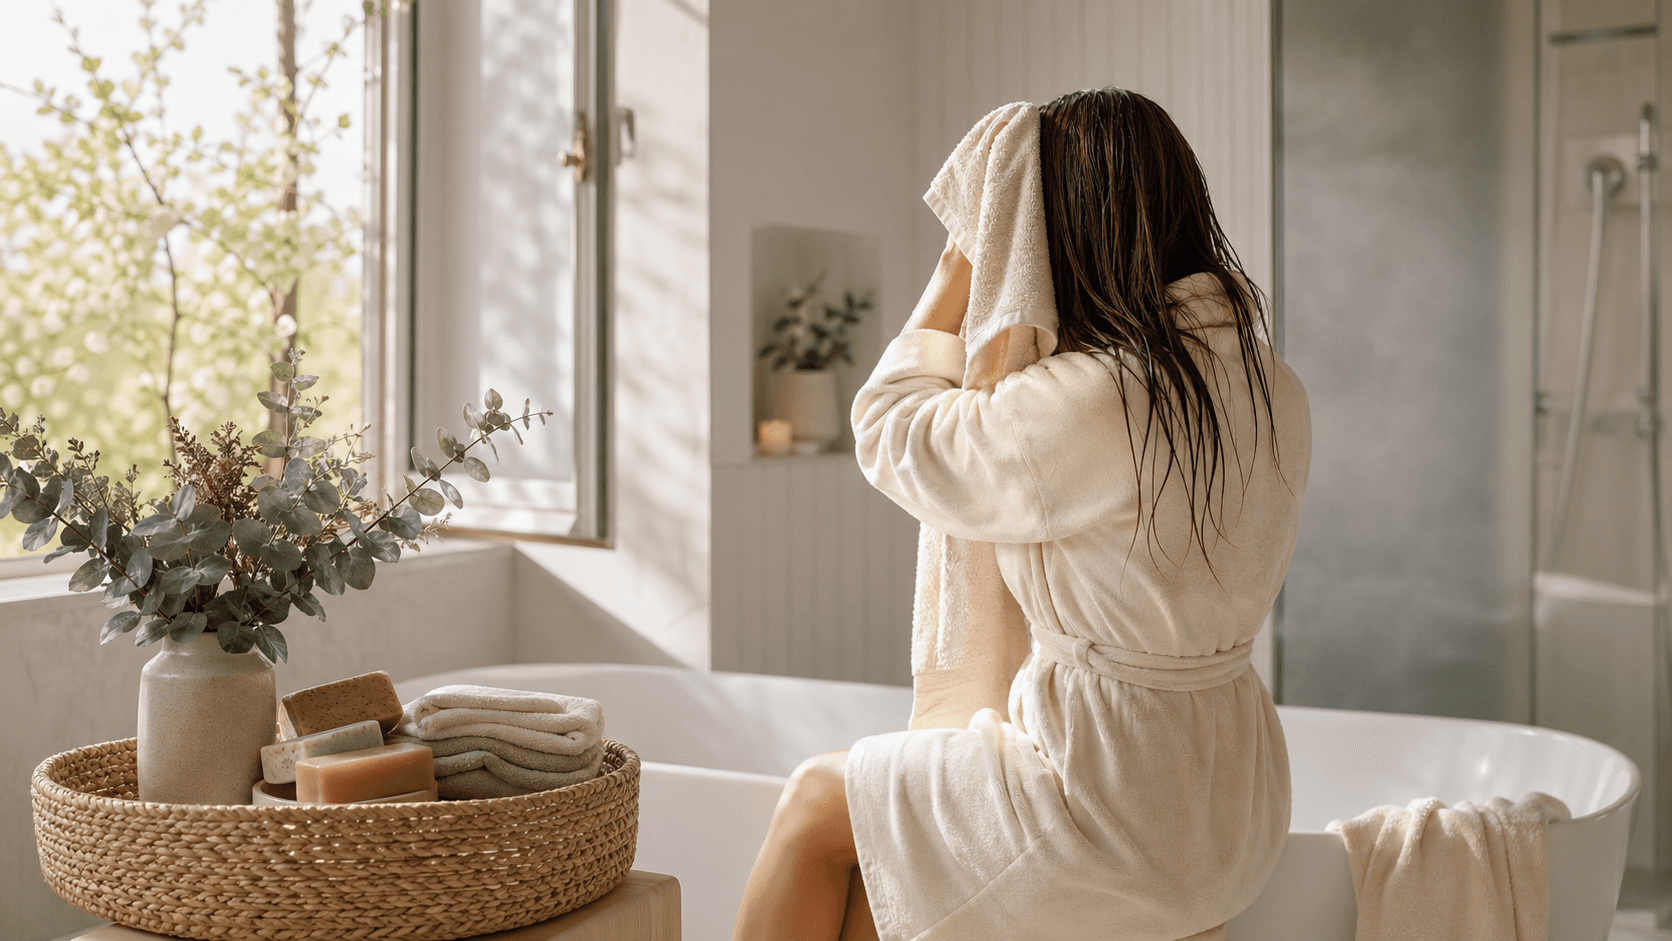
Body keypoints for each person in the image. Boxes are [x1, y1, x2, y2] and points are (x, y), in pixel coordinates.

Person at [733, 87, 1312, 941]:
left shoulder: (1100, 396)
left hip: (1110, 802)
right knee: (875, 896)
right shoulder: (1269, 382)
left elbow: (890, 430)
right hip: (1229, 806)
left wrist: (960, 259)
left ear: (1059, 231)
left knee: (818, 801)